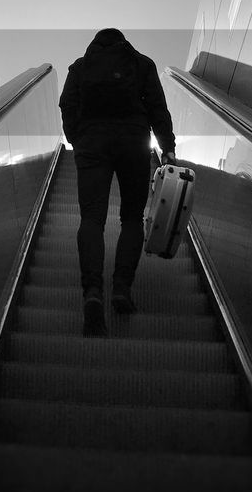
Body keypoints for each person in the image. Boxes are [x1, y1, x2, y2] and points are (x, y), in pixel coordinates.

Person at [59, 28, 176, 337]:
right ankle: (122, 287)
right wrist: (168, 148)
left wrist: (78, 138)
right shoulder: (141, 64)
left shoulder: (80, 67)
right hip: (133, 142)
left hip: (92, 144)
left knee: (92, 219)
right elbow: (157, 108)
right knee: (131, 218)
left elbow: (66, 105)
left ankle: (93, 292)